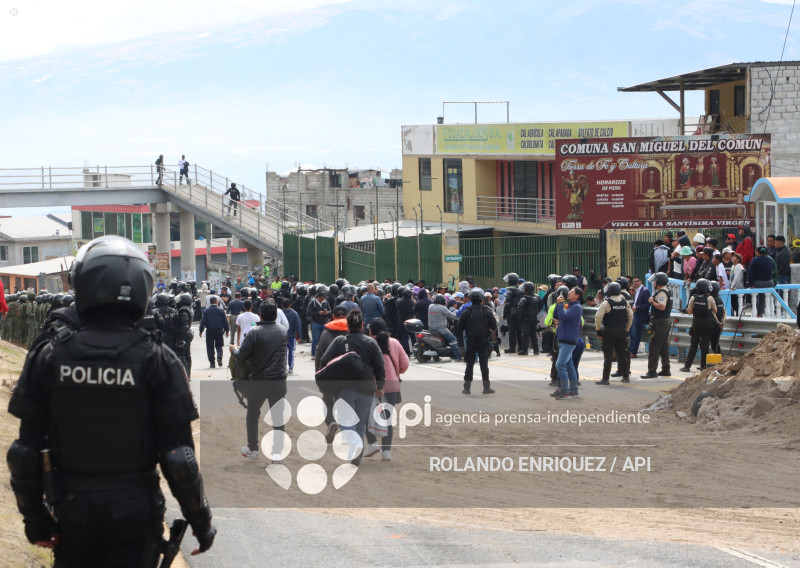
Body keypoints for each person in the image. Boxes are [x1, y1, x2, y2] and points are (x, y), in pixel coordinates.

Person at [7, 235, 215, 564]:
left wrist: (36, 521)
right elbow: (178, 458)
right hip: (135, 511)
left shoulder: (49, 355)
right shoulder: (159, 359)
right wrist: (202, 524)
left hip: (71, 509)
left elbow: (23, 452)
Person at [318, 309, 385, 465]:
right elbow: (379, 366)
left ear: (347, 324)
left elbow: (324, 360)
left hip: (343, 388)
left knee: (345, 421)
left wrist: (325, 381)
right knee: (360, 423)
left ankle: (355, 446)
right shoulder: (371, 342)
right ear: (362, 324)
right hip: (367, 389)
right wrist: (380, 386)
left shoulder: (340, 341)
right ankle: (356, 456)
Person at [230, 302, 288, 462]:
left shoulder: (254, 332)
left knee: (253, 414)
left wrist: (232, 349)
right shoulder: (283, 331)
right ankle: (277, 453)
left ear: (260, 315)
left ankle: (253, 449)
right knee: (278, 416)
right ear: (275, 316)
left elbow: (241, 355)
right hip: (279, 380)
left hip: (259, 380)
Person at [362, 318, 409, 461]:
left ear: (370, 331)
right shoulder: (394, 342)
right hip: (392, 386)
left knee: (365, 418)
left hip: (371, 387)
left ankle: (372, 443)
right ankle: (386, 452)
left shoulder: (366, 343)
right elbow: (405, 364)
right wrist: (396, 372)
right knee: (387, 419)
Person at [314, 304, 349, 442]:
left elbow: (319, 357)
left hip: (329, 375)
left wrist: (318, 377)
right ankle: (348, 432)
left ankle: (331, 421)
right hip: (350, 376)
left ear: (333, 316)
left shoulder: (326, 334)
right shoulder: (354, 333)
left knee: (327, 402)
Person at [458, 289, 497, 394]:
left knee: (469, 364)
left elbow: (459, 327)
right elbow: (494, 325)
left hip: (471, 340)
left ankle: (467, 388)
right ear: (481, 299)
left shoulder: (467, 311)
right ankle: (486, 387)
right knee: (484, 364)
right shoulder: (487, 311)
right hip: (484, 340)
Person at [595, 282, 633, 385]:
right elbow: (631, 317)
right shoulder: (625, 302)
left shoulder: (606, 303)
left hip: (609, 332)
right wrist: (627, 329)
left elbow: (598, 318)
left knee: (608, 355)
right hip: (621, 331)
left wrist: (598, 330)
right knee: (622, 355)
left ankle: (605, 379)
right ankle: (626, 377)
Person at [680, 278, 718, 372]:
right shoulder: (709, 298)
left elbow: (689, 311)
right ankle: (703, 366)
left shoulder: (693, 297)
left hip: (696, 323)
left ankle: (687, 366)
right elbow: (715, 310)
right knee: (705, 346)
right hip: (707, 324)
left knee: (693, 345)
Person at [552, 287, 583, 399]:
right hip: (564, 338)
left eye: (571, 292)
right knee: (569, 365)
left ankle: (565, 392)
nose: (568, 293)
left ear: (577, 295)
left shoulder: (576, 308)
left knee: (560, 364)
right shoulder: (569, 306)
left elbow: (564, 316)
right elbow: (556, 316)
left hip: (568, 340)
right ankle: (574, 391)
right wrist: (558, 304)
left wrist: (560, 305)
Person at [642, 272, 672, 378]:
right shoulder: (666, 291)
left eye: (655, 281)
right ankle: (666, 369)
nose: (653, 283)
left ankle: (652, 371)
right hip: (664, 321)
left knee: (654, 346)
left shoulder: (662, 292)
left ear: (659, 282)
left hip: (660, 322)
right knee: (663, 346)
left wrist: (652, 301)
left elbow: (662, 307)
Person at [428, 294, 462, 361]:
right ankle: (458, 357)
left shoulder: (430, 306)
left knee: (436, 343)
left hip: (431, 328)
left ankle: (436, 357)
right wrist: (460, 317)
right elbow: (450, 315)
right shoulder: (442, 307)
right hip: (441, 329)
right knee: (453, 340)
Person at [199, 296, 229, 368]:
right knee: (219, 345)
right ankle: (219, 357)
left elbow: (203, 321)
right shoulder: (221, 310)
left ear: (210, 302)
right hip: (219, 330)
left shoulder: (206, 310)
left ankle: (212, 363)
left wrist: (201, 330)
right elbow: (225, 321)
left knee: (210, 347)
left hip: (209, 331)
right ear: (216, 302)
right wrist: (227, 330)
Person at [748, 246, 776, 317]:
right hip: (769, 282)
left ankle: (757, 313)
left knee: (755, 297)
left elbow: (751, 273)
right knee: (763, 297)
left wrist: (751, 284)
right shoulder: (770, 260)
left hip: (758, 283)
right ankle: (759, 313)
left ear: (757, 252)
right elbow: (773, 270)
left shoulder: (754, 260)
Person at [517, 281, 542, 355]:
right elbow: (540, 306)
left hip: (526, 319)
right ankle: (536, 350)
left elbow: (520, 309)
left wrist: (520, 318)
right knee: (533, 334)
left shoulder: (524, 298)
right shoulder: (537, 297)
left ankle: (524, 350)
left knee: (525, 334)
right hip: (534, 318)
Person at [629, 275, 650, 358]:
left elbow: (648, 304)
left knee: (636, 334)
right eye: (634, 281)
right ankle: (631, 350)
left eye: (637, 281)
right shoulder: (636, 291)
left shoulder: (645, 291)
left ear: (640, 281)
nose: (635, 283)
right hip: (634, 314)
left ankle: (633, 352)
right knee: (632, 333)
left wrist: (637, 308)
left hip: (640, 315)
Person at [308, 289, 332, 356]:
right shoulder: (313, 303)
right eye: (322, 298)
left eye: (324, 298)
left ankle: (323, 354)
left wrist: (327, 312)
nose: (322, 300)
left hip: (324, 322)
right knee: (315, 339)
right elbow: (308, 312)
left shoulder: (326, 302)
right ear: (318, 297)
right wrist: (318, 313)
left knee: (324, 339)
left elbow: (330, 311)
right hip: (315, 323)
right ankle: (313, 354)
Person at [281, 298, 301, 374]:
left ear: (282, 305)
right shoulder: (294, 313)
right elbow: (298, 325)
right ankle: (291, 368)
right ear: (290, 304)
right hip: (291, 336)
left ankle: (284, 366)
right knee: (291, 351)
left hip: (281, 335)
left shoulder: (280, 313)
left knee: (283, 352)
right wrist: (299, 336)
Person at [729, 252, 746, 316]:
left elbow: (736, 277)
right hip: (733, 287)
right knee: (733, 302)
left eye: (734, 257)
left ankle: (740, 314)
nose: (732, 258)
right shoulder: (733, 266)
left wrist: (732, 286)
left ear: (738, 259)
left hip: (738, 287)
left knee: (737, 302)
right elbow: (731, 277)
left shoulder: (739, 266)